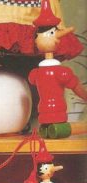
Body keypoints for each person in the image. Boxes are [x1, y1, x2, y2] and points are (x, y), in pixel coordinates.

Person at [28, 0, 87, 138]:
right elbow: (76, 87)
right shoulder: (61, 72)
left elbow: (31, 81)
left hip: (43, 115)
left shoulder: (35, 74)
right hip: (59, 115)